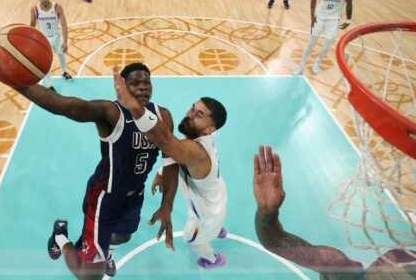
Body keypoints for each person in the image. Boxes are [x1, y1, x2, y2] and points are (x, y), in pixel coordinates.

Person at [0, 39, 177, 278]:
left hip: (134, 197)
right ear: (122, 87)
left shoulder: (163, 116)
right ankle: (61, 237)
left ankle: (105, 254)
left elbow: (171, 162)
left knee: (124, 235)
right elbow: (59, 105)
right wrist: (9, 75)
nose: (143, 87)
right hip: (104, 200)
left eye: (147, 82)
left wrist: (167, 205)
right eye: (135, 83)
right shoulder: (110, 112)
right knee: (88, 276)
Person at [114, 65, 229, 269]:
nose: (190, 115)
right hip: (217, 195)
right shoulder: (204, 137)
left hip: (205, 216)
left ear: (210, 128)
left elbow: (167, 143)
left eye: (198, 114)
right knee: (216, 215)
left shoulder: (195, 150)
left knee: (191, 240)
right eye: (192, 108)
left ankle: (213, 258)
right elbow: (177, 157)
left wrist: (133, 106)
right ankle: (218, 228)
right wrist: (160, 172)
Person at [253, 145, 416, 279]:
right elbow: (275, 241)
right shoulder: (339, 267)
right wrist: (267, 213)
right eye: (380, 262)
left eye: (392, 277)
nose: (377, 270)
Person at [293, 0, 353, 75]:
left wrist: (348, 20)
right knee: (311, 44)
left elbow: (349, 5)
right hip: (319, 18)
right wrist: (312, 17)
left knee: (327, 46)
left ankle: (317, 60)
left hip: (333, 20)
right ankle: (301, 64)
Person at [31, 0, 74, 92]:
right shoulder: (35, 10)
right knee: (47, 61)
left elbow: (64, 25)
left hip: (57, 37)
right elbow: (32, 26)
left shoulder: (57, 7)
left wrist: (65, 41)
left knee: (61, 55)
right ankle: (49, 84)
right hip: (44, 39)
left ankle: (63, 72)